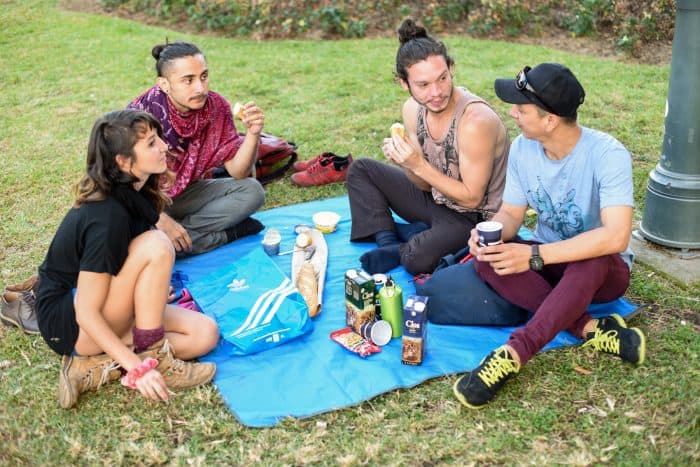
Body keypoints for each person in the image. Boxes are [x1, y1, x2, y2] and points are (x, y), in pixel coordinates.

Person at [453, 63, 646, 409]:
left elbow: (616, 237)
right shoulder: (523, 148)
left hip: (602, 271)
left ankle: (515, 351)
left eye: (521, 109)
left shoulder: (608, 154)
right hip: (550, 260)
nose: (512, 114)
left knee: (593, 255)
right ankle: (590, 328)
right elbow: (512, 214)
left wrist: (533, 257)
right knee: (488, 261)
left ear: (550, 120)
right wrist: (488, 236)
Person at [36, 109, 220, 409]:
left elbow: (125, 266)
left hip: (104, 301)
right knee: (158, 244)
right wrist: (136, 368)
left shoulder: (135, 191)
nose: (163, 146)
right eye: (150, 143)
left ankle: (91, 367)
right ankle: (152, 357)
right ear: (123, 161)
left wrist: (150, 290)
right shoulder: (106, 217)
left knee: (205, 334)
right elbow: (86, 310)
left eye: (158, 137)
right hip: (69, 321)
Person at [346, 19, 510, 275]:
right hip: (436, 199)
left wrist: (417, 164)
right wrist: (406, 163)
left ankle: (407, 245)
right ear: (404, 83)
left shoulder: (475, 121)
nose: (436, 92)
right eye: (423, 85)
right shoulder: (412, 109)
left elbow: (472, 198)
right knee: (361, 170)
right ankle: (389, 242)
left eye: (442, 78)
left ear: (450, 69)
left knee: (415, 259)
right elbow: (423, 184)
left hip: (474, 217)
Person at [128, 41, 265, 255]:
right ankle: (222, 236)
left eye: (204, 76)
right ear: (164, 84)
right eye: (188, 80)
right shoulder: (140, 116)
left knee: (252, 191)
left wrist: (253, 134)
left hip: (182, 194)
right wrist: (158, 217)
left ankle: (176, 241)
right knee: (124, 232)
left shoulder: (216, 107)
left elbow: (239, 171)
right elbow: (120, 185)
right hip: (144, 199)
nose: (200, 88)